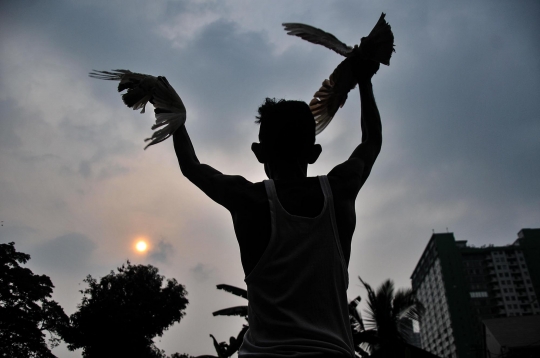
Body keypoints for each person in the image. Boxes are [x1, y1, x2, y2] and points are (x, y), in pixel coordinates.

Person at [173, 58, 382, 358]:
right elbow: (371, 141)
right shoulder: (340, 189)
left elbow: (191, 167)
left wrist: (173, 114)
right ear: (314, 153)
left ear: (259, 153)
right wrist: (364, 80)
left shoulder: (249, 199)